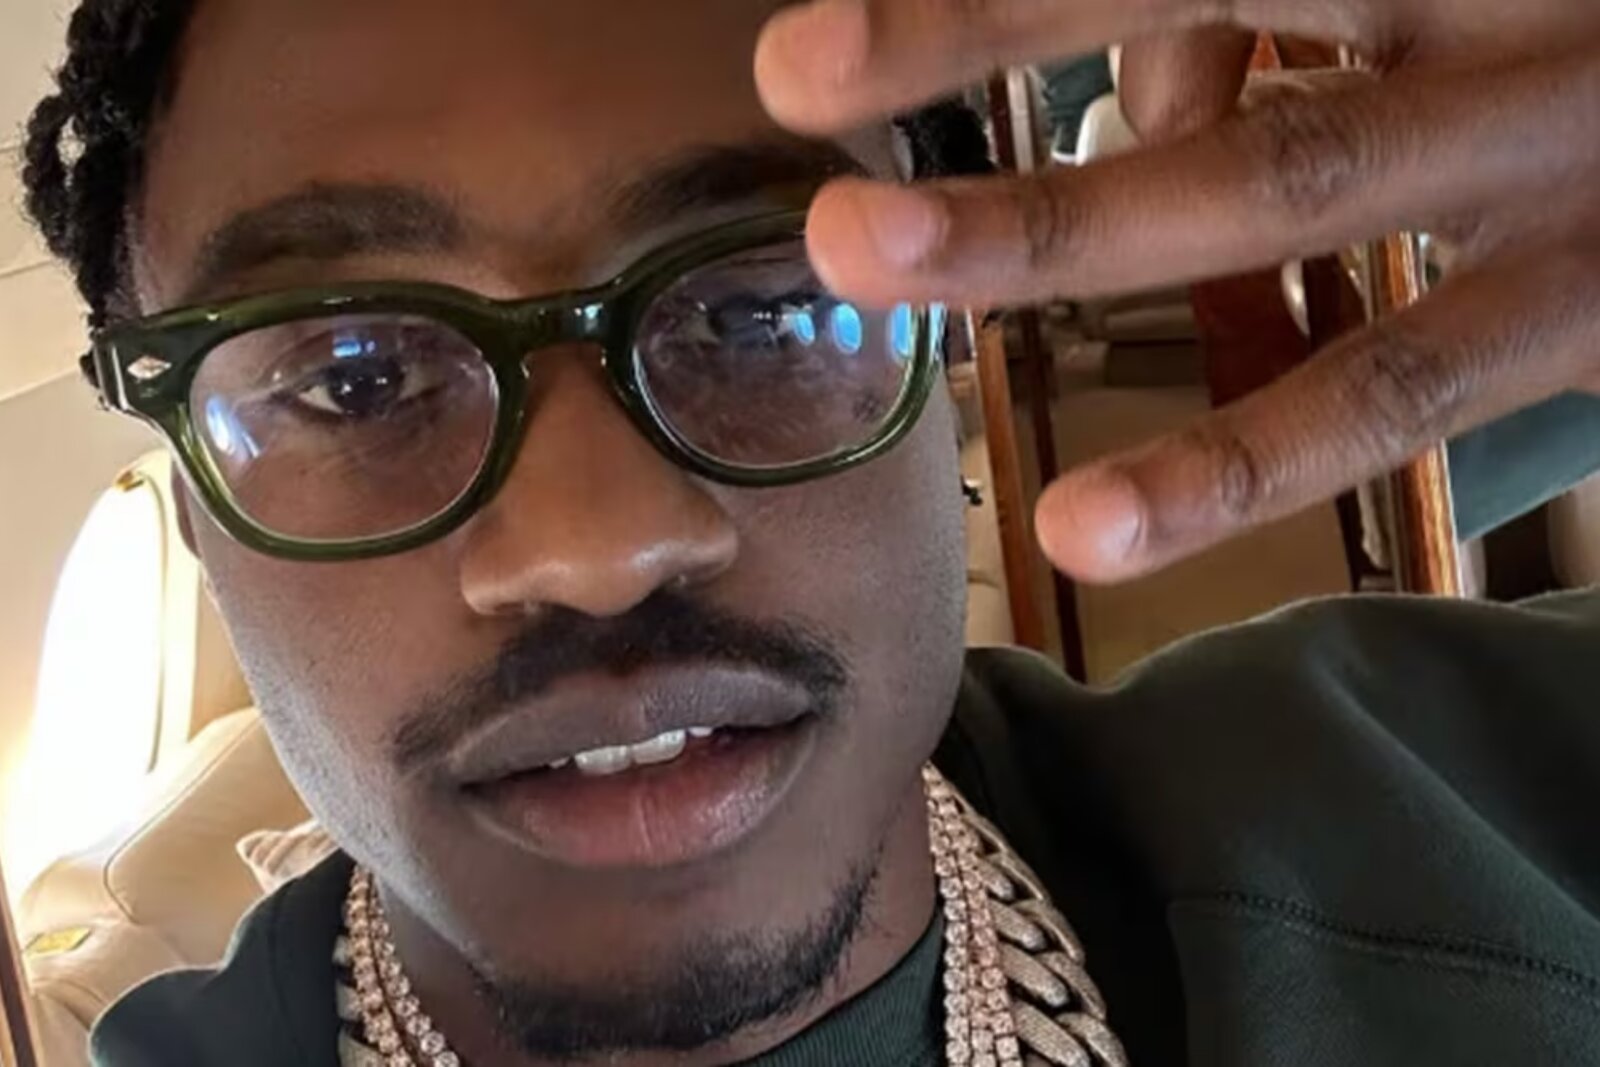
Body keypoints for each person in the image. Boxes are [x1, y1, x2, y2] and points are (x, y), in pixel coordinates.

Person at [19, 0, 1600, 1064]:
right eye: (356, 381)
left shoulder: (1497, 809)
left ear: (950, 359)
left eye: (763, 312)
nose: (600, 547)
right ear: (192, 501)